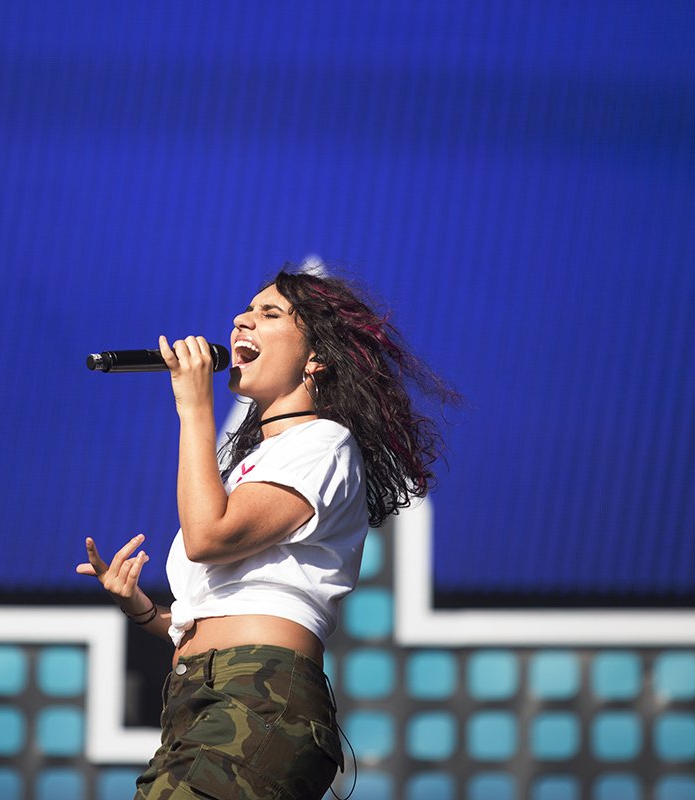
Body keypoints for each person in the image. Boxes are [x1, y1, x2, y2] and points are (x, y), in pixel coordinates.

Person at [77, 267, 455, 799]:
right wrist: (143, 610)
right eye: (246, 310)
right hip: (199, 699)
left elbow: (208, 536)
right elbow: (227, 609)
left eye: (269, 313)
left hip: (257, 697)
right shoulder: (251, 466)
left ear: (316, 358)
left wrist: (194, 406)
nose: (241, 320)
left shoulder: (322, 442)